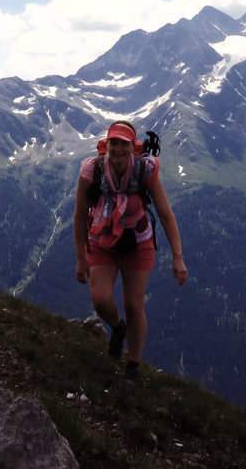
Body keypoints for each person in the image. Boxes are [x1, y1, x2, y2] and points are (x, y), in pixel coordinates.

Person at [73, 120, 188, 382]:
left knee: (134, 305)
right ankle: (118, 328)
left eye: (123, 144)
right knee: (100, 299)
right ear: (107, 144)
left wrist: (178, 257)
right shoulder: (93, 170)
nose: (117, 149)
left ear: (133, 146)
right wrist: (81, 258)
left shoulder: (145, 171)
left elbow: (166, 216)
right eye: (113, 143)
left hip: (138, 242)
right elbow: (80, 216)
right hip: (102, 240)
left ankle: (133, 366)